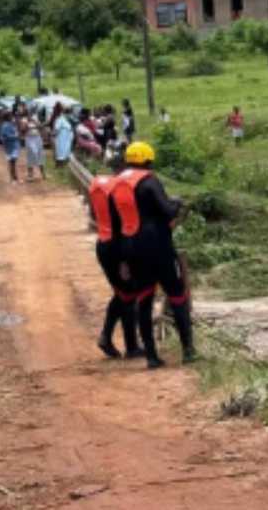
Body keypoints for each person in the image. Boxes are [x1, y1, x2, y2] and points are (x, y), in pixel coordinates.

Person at [112, 142, 195, 369]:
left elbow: (116, 221)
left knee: (145, 299)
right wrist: (176, 203)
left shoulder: (118, 183)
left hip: (131, 247)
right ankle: (188, 350)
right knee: (177, 294)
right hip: (157, 246)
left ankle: (151, 355)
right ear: (148, 160)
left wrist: (122, 258)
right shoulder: (149, 181)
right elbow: (167, 211)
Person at [88, 172, 144, 360]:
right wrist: (124, 261)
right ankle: (132, 347)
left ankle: (106, 337)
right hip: (116, 249)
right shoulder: (118, 193)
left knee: (122, 294)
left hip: (103, 244)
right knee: (128, 296)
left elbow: (93, 216)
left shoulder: (98, 188)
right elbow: (123, 230)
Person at [0, 113, 21, 184]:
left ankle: (15, 178)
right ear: (8, 117)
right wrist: (16, 136)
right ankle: (12, 179)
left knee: (13, 163)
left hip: (13, 146)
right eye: (11, 116)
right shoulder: (5, 126)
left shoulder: (10, 124)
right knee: (12, 163)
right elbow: (6, 136)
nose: (12, 117)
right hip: (10, 147)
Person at [23, 114, 46, 181]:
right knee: (31, 156)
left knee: (40, 155)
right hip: (29, 139)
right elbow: (23, 129)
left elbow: (41, 127)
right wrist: (27, 125)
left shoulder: (36, 120)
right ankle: (30, 175)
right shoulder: (24, 120)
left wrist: (37, 124)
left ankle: (43, 174)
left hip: (37, 139)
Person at [51, 102, 73, 167]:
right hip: (62, 137)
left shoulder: (63, 119)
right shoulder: (61, 119)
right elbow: (56, 129)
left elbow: (57, 129)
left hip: (64, 137)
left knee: (62, 150)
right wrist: (54, 134)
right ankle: (59, 164)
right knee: (61, 151)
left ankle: (61, 164)